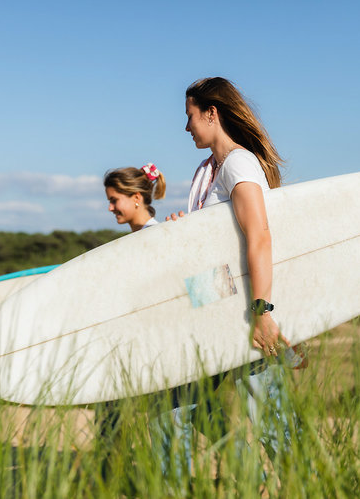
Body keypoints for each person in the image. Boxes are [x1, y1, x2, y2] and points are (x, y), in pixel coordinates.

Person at [166, 77, 304, 471]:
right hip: (211, 306)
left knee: (273, 424)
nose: (186, 126)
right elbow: (213, 241)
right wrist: (184, 227)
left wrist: (262, 311)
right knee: (177, 408)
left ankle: (310, 486)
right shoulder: (207, 170)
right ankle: (244, 477)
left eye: (190, 116)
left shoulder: (239, 163)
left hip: (242, 309)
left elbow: (259, 235)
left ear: (212, 113)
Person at [96, 162, 166, 480]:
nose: (110, 207)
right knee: (111, 411)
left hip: (157, 352)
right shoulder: (130, 243)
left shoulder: (158, 239)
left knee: (189, 416)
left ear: (136, 197)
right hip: (135, 351)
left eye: (115, 200)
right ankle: (111, 477)